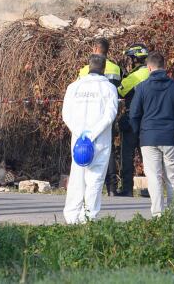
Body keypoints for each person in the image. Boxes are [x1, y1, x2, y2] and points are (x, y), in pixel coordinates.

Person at [127, 51, 174, 216]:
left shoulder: (141, 88)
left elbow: (133, 115)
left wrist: (140, 132)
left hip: (148, 137)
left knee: (154, 177)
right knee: (173, 177)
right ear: (165, 67)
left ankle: (157, 214)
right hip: (170, 137)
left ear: (149, 68)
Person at [62, 54, 120, 223]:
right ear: (104, 69)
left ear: (88, 67)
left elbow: (66, 115)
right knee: (95, 179)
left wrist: (81, 134)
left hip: (79, 141)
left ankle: (71, 216)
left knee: (76, 178)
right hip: (99, 141)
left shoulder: (74, 87)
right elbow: (110, 115)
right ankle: (89, 217)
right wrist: (93, 134)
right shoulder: (109, 88)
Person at [112, 44, 151, 197]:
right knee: (147, 155)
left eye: (130, 59)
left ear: (134, 59)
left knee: (127, 155)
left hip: (132, 120)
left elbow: (119, 91)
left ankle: (127, 188)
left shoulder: (134, 76)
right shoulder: (150, 72)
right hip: (148, 120)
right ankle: (151, 187)